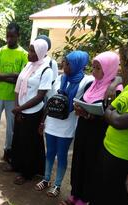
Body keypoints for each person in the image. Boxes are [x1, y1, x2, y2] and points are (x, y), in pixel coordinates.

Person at [59, 51, 122, 205]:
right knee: (79, 161)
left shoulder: (115, 90)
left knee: (91, 166)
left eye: (98, 68)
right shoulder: (92, 84)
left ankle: (85, 200)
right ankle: (75, 193)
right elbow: (84, 101)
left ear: (109, 69)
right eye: (93, 67)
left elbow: (113, 116)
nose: (93, 71)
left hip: (98, 135)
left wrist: (90, 115)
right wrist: (81, 110)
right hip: (83, 130)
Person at [79, 81, 128, 205]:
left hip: (124, 159)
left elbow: (118, 121)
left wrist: (110, 112)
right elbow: (108, 111)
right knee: (102, 193)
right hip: (107, 149)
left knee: (117, 204)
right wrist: (111, 112)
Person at [35, 50, 92, 197]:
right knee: (50, 153)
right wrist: (43, 121)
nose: (64, 65)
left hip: (67, 126)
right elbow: (50, 101)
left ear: (78, 65)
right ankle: (46, 179)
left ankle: (57, 185)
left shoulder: (86, 82)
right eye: (64, 62)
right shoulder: (60, 78)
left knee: (61, 155)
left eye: (68, 63)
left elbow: (85, 103)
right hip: (52, 123)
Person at [10, 39, 53, 185]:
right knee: (18, 139)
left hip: (33, 112)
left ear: (41, 53)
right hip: (20, 108)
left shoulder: (46, 70)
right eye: (29, 50)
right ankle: (16, 165)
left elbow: (40, 96)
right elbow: (18, 85)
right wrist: (17, 107)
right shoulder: (29, 65)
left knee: (29, 142)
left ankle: (27, 172)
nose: (29, 53)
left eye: (33, 51)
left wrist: (20, 109)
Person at [0, 22, 28, 163]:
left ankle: (8, 151)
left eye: (13, 36)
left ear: (18, 36)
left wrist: (2, 76)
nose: (9, 39)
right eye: (8, 36)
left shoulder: (23, 54)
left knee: (11, 126)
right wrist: (13, 74)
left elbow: (22, 80)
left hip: (13, 98)